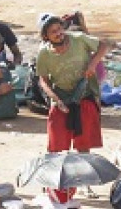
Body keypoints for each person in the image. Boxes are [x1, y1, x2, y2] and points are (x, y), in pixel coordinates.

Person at [34, 14, 108, 164]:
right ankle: (58, 184)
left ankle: (85, 178)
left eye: (59, 29)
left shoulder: (79, 39)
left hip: (84, 95)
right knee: (57, 145)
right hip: (61, 98)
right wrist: (56, 100)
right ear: (46, 36)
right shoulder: (44, 53)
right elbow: (43, 80)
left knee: (84, 143)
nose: (58, 33)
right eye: (53, 32)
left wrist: (93, 64)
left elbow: (103, 45)